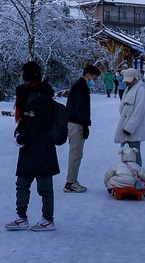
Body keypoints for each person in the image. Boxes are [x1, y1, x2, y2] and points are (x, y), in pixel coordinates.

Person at [4, 60, 59, 232]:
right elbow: (27, 119)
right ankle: (21, 217)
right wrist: (19, 132)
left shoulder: (39, 95)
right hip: (31, 147)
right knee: (22, 182)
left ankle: (47, 219)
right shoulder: (30, 93)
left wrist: (22, 137)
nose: (21, 75)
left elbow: (35, 121)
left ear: (30, 74)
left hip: (42, 146)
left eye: (23, 72)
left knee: (44, 186)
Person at [64, 64, 100, 193]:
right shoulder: (81, 87)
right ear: (88, 75)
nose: (94, 81)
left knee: (77, 153)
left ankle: (72, 180)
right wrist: (85, 125)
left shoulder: (81, 86)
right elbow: (80, 108)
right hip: (76, 123)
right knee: (76, 154)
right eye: (94, 78)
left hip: (76, 122)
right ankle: (70, 183)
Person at [113, 67, 145, 165]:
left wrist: (129, 128)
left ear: (135, 78)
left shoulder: (141, 91)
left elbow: (139, 112)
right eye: (126, 80)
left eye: (130, 80)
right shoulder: (129, 89)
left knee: (135, 155)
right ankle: (127, 176)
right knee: (125, 155)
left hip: (133, 130)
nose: (127, 82)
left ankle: (137, 176)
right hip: (125, 128)